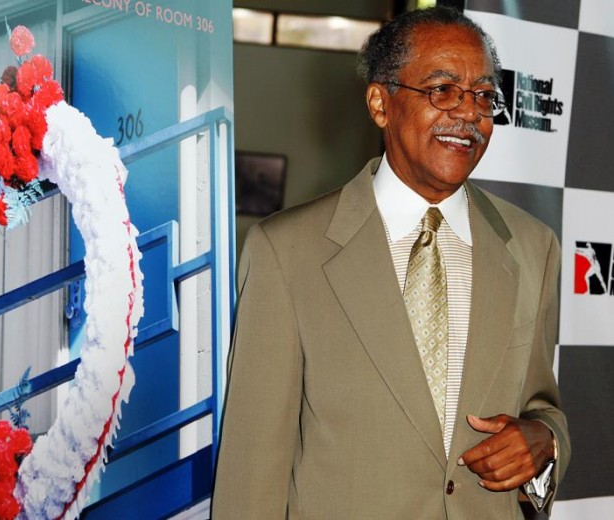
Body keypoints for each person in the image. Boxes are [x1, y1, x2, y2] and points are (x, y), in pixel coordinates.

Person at [212, 6, 569, 519]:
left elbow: (542, 408)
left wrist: (545, 441)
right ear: (381, 103)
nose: (468, 114)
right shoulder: (286, 252)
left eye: (484, 96)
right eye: (442, 90)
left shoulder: (533, 247)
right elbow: (251, 478)